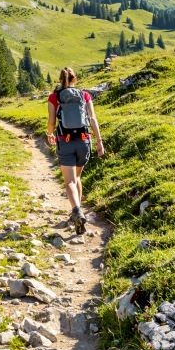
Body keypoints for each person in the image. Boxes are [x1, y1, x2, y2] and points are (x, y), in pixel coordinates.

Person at [46, 67, 105, 234]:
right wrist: (99, 141)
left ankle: (77, 211)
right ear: (75, 79)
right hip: (84, 140)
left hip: (65, 141)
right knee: (77, 176)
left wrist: (50, 134)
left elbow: (51, 122)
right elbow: (92, 118)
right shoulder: (84, 95)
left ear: (60, 80)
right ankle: (78, 211)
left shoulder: (54, 97)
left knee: (70, 181)